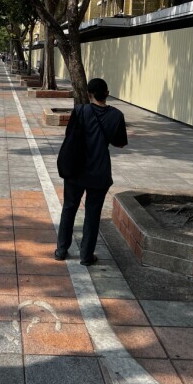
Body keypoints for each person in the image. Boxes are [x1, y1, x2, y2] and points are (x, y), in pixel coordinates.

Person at [55, 78, 128, 265]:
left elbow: (69, 135)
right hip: (99, 171)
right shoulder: (116, 116)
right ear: (107, 93)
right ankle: (86, 256)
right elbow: (119, 143)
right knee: (92, 213)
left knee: (69, 208)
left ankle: (61, 250)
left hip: (76, 169)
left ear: (89, 94)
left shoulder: (80, 111)